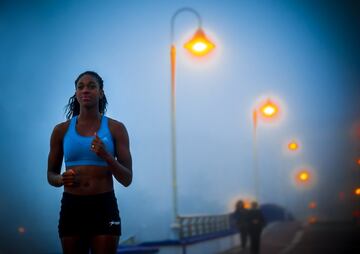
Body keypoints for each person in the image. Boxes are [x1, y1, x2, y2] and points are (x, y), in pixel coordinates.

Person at [47, 71, 132, 254]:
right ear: (76, 93)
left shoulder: (116, 129)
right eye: (81, 87)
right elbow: (50, 175)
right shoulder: (60, 131)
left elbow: (127, 178)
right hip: (72, 207)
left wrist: (107, 155)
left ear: (100, 93)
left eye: (92, 86)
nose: (86, 90)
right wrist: (61, 179)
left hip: (104, 206)